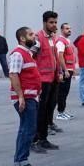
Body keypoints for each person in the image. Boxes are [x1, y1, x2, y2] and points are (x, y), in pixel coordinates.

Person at [7, 26, 42, 166]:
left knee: (25, 129)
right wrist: (21, 96)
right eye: (30, 35)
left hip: (30, 97)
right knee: (28, 129)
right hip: (25, 98)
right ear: (22, 38)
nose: (33, 37)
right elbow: (13, 75)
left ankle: (19, 161)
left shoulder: (27, 53)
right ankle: (22, 161)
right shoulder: (18, 54)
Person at [33, 11, 65, 150]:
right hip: (42, 80)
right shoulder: (37, 38)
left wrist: (59, 72)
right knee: (40, 110)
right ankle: (35, 140)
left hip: (53, 79)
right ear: (45, 22)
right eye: (51, 22)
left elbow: (54, 57)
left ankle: (44, 138)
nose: (54, 25)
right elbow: (31, 57)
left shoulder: (52, 37)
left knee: (49, 109)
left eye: (55, 22)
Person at [55, 23, 77, 122]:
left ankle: (62, 111)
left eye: (70, 28)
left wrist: (73, 69)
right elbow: (60, 56)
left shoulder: (67, 41)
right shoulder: (61, 41)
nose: (69, 30)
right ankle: (60, 112)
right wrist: (65, 70)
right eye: (67, 28)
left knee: (65, 92)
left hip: (69, 69)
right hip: (65, 70)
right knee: (62, 92)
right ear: (62, 30)